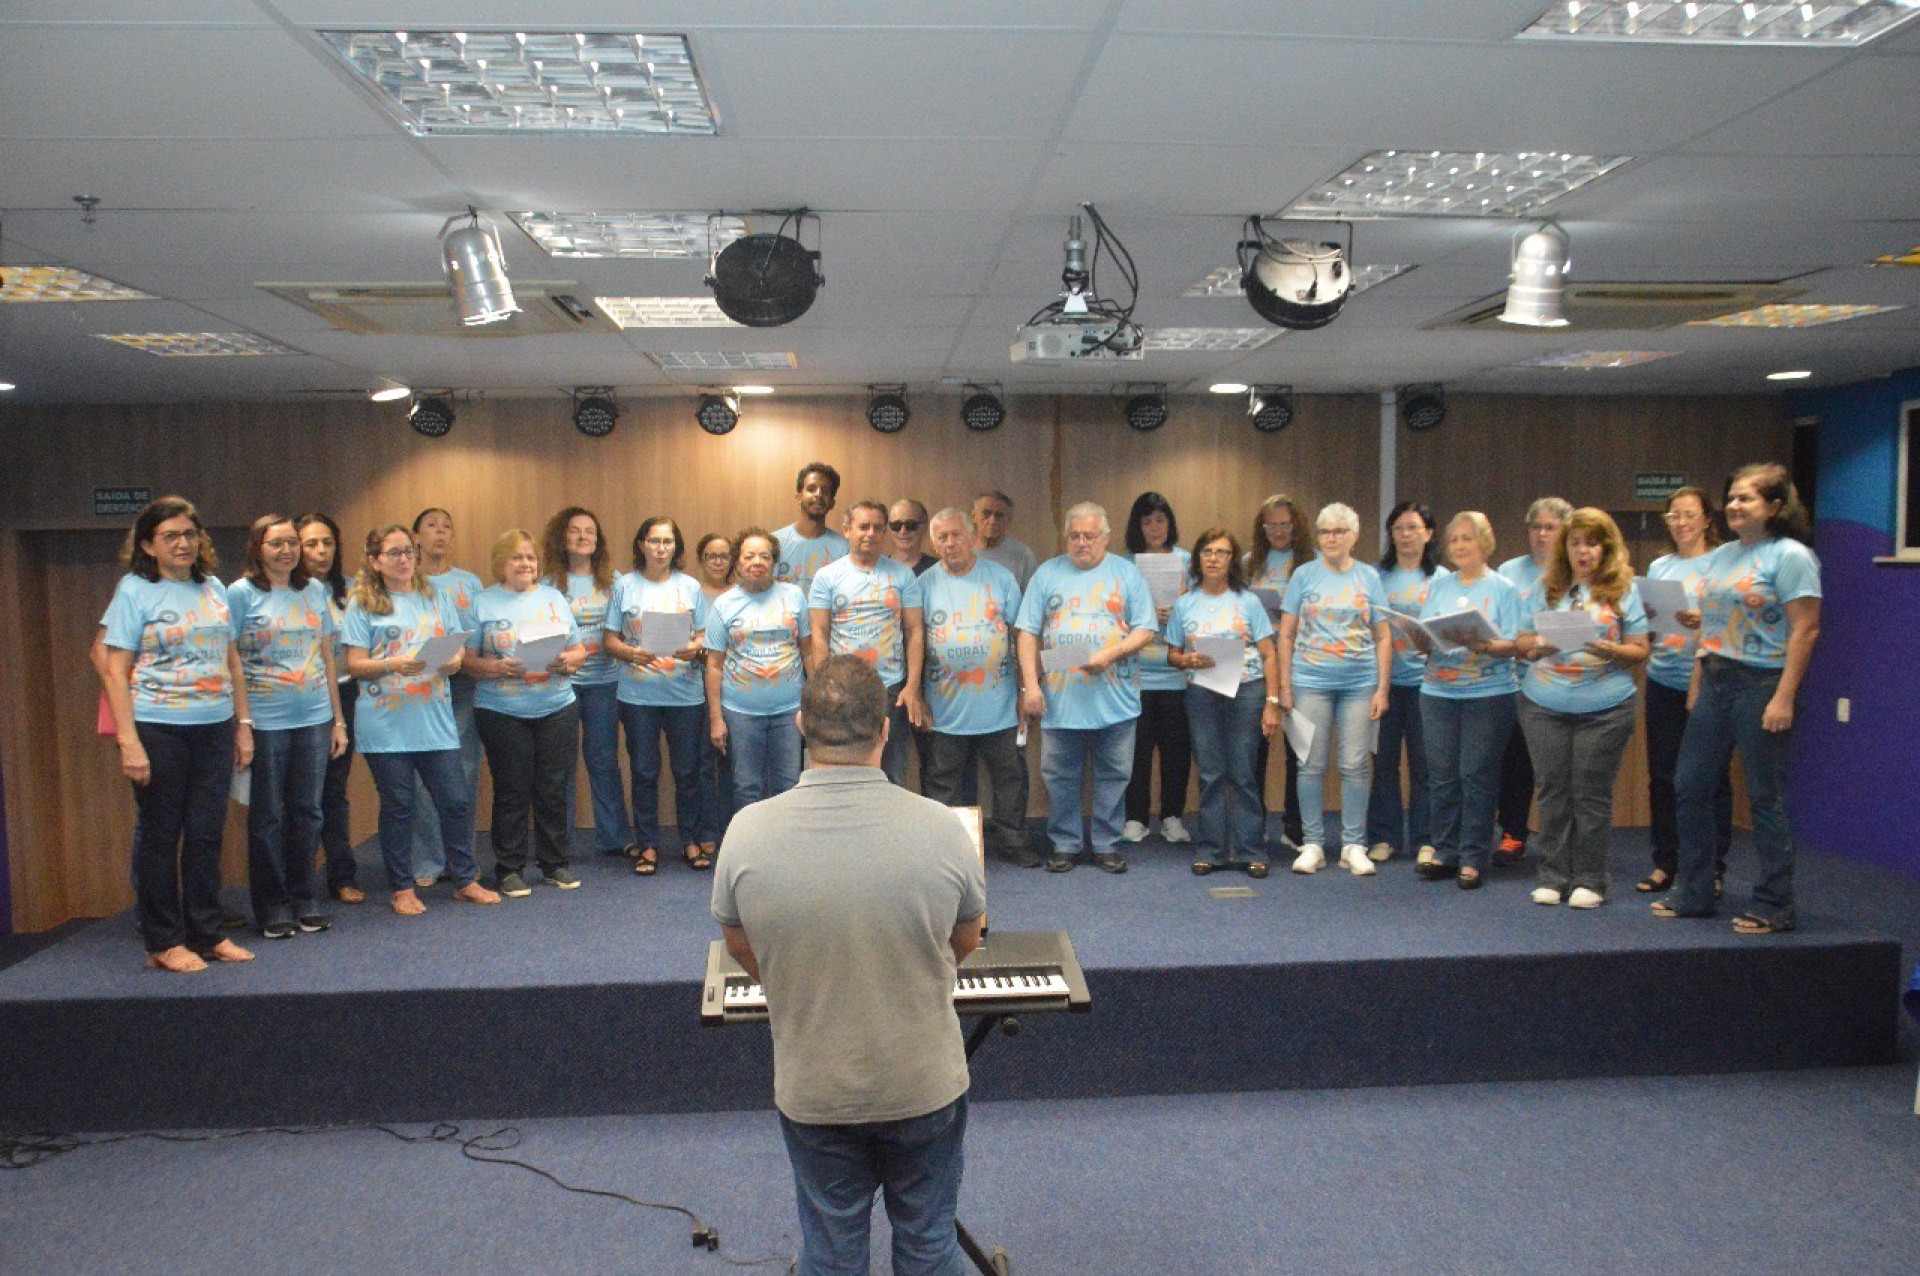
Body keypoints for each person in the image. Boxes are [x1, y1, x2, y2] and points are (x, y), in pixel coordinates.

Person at [711, 656, 985, 1276]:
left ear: (800, 724)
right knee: (928, 1245)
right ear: (886, 729)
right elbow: (966, 938)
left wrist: (799, 979)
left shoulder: (746, 832)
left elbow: (740, 943)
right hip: (924, 1084)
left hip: (816, 1090)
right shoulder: (943, 828)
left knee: (831, 1253)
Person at [1655, 463, 1821, 934]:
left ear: (1775, 506)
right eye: (1731, 497)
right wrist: (1697, 682)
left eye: (1746, 498)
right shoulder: (1723, 555)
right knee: (1689, 784)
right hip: (1716, 677)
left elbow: (1806, 629)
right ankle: (1695, 890)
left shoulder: (1790, 556)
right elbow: (1712, 625)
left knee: (1765, 796)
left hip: (1763, 682)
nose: (1734, 505)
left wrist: (1784, 697)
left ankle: (1774, 903)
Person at [100, 496, 256, 971]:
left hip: (215, 725)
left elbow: (232, 662)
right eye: (170, 536)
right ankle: (164, 940)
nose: (183, 543)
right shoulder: (135, 590)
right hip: (158, 727)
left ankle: (208, 933)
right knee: (162, 835)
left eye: (190, 534)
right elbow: (114, 669)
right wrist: (129, 741)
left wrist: (243, 727)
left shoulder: (213, 588)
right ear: (148, 545)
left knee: (206, 834)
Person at [342, 524, 501, 914]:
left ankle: (464, 879)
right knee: (399, 804)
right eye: (394, 552)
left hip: (434, 720)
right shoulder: (362, 604)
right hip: (386, 725)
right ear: (374, 561)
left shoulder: (435, 597)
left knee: (455, 801)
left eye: (409, 551)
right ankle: (402, 887)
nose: (404, 559)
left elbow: (457, 649)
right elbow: (355, 664)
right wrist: (395, 663)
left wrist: (452, 661)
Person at [1514, 509, 1650, 909]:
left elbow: (1640, 649)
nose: (1583, 551)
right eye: (1575, 544)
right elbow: (1522, 642)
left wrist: (1610, 649)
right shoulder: (1546, 588)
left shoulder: (1624, 590)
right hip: (1544, 703)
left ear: (1606, 548)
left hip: (1605, 706)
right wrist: (1540, 645)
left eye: (1591, 544)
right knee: (1553, 790)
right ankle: (1553, 877)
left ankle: (1590, 879)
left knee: (1590, 793)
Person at [1014, 502, 1157, 873]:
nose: (1081, 542)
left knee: (1114, 776)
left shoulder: (1127, 574)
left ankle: (1107, 844)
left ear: (1105, 538)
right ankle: (1065, 844)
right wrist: (1030, 686)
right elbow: (1026, 632)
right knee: (1059, 777)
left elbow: (1146, 629)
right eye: (1074, 536)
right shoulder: (1047, 574)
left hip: (1116, 700)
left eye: (1090, 536)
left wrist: (1110, 654)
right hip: (1060, 701)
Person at [228, 513, 348, 938]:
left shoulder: (314, 590)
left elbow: (327, 657)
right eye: (276, 543)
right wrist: (243, 724)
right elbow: (231, 661)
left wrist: (338, 720)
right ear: (257, 548)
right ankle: (272, 905)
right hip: (265, 720)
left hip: (314, 717)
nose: (287, 551)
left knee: (308, 812)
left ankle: (304, 896)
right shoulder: (240, 594)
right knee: (267, 817)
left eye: (292, 543)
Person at [467, 530, 587, 896]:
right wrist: (497, 668)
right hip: (501, 710)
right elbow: (465, 661)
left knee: (553, 788)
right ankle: (509, 868)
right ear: (500, 563)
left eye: (530, 558)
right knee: (512, 789)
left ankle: (554, 863)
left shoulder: (554, 598)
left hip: (557, 706)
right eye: (516, 557)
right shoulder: (481, 602)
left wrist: (568, 660)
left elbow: (579, 649)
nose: (525, 564)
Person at [919, 507, 1037, 867]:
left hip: (999, 705)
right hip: (945, 708)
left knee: (1010, 778)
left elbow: (1022, 636)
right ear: (934, 544)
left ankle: (1013, 844)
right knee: (943, 782)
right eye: (942, 537)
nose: (950, 543)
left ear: (971, 537)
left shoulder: (1000, 578)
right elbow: (913, 642)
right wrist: (917, 695)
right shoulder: (924, 584)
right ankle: (948, 853)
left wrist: (1025, 690)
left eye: (956, 535)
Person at [1279, 502, 1391, 877]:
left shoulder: (1368, 577)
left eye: (1339, 531)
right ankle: (1312, 844)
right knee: (1309, 765)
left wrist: (1382, 689)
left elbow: (1383, 636)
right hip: (1309, 682)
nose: (1331, 538)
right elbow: (1286, 635)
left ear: (1354, 537)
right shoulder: (1303, 575)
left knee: (1355, 765)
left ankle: (1353, 846)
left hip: (1360, 684)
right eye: (1325, 531)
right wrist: (1284, 687)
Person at [1414, 513, 1524, 889]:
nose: (1459, 545)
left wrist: (1483, 644)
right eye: (1454, 539)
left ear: (1485, 543)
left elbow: (1517, 644)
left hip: (1488, 693)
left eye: (1468, 538)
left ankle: (1473, 856)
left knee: (1476, 775)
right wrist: (1419, 638)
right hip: (1437, 691)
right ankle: (1445, 851)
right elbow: (1428, 634)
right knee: (1442, 775)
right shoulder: (1439, 587)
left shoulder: (1503, 588)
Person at [1164, 529, 1280, 876]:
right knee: (1211, 772)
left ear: (1232, 560)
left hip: (1246, 691)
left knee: (1243, 771)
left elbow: (1269, 654)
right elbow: (1172, 653)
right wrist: (1186, 660)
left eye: (1222, 552)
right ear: (1198, 558)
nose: (1214, 558)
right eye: (1207, 551)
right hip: (1203, 692)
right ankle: (1211, 850)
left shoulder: (1248, 601)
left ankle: (1250, 850)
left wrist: (1272, 702)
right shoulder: (1185, 603)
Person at [1638, 486, 1733, 896]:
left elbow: (1730, 621)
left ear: (1707, 519)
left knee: (1709, 777)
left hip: (1710, 682)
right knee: (1662, 776)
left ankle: (1711, 867)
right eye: (1674, 515)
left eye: (1689, 514)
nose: (1680, 522)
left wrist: (1701, 622)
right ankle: (1666, 862)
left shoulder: (1723, 562)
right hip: (1663, 677)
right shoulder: (1659, 567)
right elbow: (1652, 623)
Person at [605, 517, 712, 874]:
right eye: (654, 541)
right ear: (642, 544)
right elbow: (609, 640)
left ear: (676, 546)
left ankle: (690, 840)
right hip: (638, 696)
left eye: (667, 541)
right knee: (644, 770)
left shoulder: (691, 586)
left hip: (685, 694)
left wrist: (695, 648)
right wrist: (629, 652)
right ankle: (648, 844)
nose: (661, 548)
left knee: (688, 771)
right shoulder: (624, 586)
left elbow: (704, 636)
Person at [809, 500, 928, 785]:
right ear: (847, 530)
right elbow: (819, 633)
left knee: (893, 773)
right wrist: (824, 684)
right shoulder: (827, 577)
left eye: (878, 527)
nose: (870, 533)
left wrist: (911, 687)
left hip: (891, 688)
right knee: (843, 770)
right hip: (842, 688)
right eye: (863, 527)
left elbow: (915, 632)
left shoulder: (902, 575)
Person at [542, 506, 629, 862]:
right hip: (561, 686)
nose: (582, 537)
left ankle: (614, 838)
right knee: (560, 767)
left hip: (605, 683)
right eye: (574, 531)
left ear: (598, 539)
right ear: (561, 538)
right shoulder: (547, 583)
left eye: (589, 531)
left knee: (603, 761)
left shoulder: (615, 580)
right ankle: (557, 843)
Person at [706, 528, 813, 812]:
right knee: (746, 787)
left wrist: (814, 705)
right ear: (738, 562)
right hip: (741, 713)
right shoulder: (724, 604)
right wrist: (716, 719)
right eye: (749, 556)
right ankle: (749, 841)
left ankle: (784, 840)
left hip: (790, 711)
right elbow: (714, 665)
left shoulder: (794, 596)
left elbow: (808, 651)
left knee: (788, 785)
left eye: (765, 556)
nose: (757, 562)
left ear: (774, 561)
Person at [408, 507, 484, 889]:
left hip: (462, 686)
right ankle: (428, 860)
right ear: (416, 537)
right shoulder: (407, 580)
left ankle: (461, 859)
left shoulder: (469, 582)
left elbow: (478, 632)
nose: (440, 533)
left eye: (446, 527)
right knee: (423, 780)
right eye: (431, 526)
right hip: (419, 690)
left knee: (465, 772)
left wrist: (466, 660)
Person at [1494, 496, 1571, 865]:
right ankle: (1513, 833)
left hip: (1559, 684)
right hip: (1512, 682)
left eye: (1550, 527)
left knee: (1556, 769)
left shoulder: (1574, 572)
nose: (1542, 534)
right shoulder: (1508, 571)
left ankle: (1563, 842)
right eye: (1536, 527)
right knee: (1513, 764)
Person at [296, 511, 365, 904]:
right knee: (300, 794)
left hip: (345, 692)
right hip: (300, 698)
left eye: (327, 543)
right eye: (311, 544)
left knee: (334, 790)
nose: (321, 551)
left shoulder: (352, 591)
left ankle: (342, 876)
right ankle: (299, 879)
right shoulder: (288, 591)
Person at [1366, 501, 1438, 865]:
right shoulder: (1374, 576)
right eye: (1398, 529)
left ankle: (1426, 838)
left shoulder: (1442, 579)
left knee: (1425, 765)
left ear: (1429, 533)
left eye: (1413, 528)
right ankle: (1384, 837)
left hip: (1429, 684)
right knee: (1383, 764)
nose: (1405, 535)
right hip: (1383, 683)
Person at [1121, 491, 1194, 846]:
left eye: (1160, 520)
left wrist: (1177, 612)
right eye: (1147, 521)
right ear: (1138, 526)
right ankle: (1135, 817)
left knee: (1176, 752)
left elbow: (1202, 608)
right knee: (1136, 753)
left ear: (1170, 524)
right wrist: (1146, 614)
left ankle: (1172, 817)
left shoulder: (1187, 560)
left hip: (1177, 674)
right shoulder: (1124, 564)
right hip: (1136, 675)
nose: (1154, 527)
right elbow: (1113, 614)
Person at [1247, 494, 1312, 851]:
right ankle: (1253, 824)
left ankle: (1296, 827)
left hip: (1302, 667)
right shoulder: (1248, 564)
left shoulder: (1312, 564)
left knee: (1299, 752)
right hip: (1257, 668)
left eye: (1285, 524)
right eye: (1271, 525)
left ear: (1296, 526)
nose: (1278, 531)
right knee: (1254, 751)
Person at [692, 532, 737, 847]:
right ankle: (708, 831)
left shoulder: (741, 593)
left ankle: (733, 831)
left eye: (724, 556)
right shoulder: (691, 594)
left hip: (735, 689)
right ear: (702, 560)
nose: (718, 562)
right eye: (711, 556)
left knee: (734, 765)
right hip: (695, 688)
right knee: (704, 764)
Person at [774, 461, 849, 596]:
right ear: (799, 496)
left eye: (825, 491)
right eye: (811, 489)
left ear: (832, 502)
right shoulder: (775, 543)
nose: (818, 494)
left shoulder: (844, 549)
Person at [972, 489, 1038, 590]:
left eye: (999, 515)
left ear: (1009, 521)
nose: (992, 521)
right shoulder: (961, 551)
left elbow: (1033, 595)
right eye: (986, 514)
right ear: (974, 517)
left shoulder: (1023, 555)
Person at [887, 497, 939, 575]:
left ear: (924, 527)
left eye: (910, 525)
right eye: (896, 525)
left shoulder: (939, 569)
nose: (903, 531)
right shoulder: (877, 568)